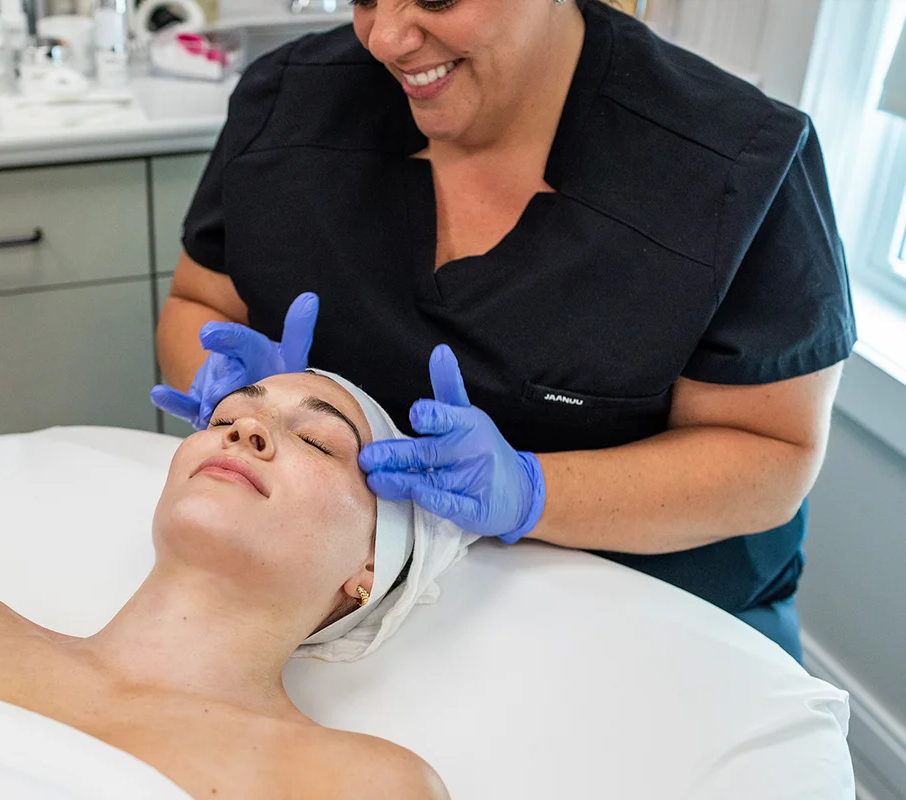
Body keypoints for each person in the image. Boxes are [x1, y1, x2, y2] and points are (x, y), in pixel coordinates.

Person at [152, 0, 856, 661]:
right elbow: (200, 304)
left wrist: (531, 487)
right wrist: (232, 395)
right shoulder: (289, 100)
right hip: (358, 607)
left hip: (649, 619)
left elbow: (770, 459)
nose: (386, 39)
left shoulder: (732, 164)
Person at [0, 371, 449, 800]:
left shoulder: (359, 783)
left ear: (369, 568)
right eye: (223, 420)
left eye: (317, 441)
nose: (247, 429)